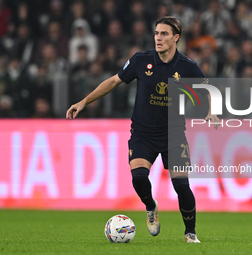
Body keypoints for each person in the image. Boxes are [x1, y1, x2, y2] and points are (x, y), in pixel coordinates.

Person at [66, 16, 220, 243]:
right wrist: (83, 102)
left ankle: (190, 233)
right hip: (143, 133)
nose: (158, 38)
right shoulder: (141, 60)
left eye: (164, 34)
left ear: (176, 38)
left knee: (181, 185)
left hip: (173, 135)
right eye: (157, 33)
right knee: (138, 178)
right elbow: (113, 81)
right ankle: (151, 206)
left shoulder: (187, 67)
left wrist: (212, 111)